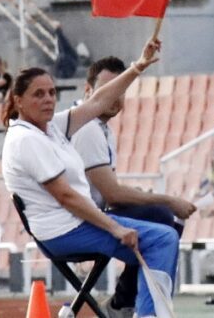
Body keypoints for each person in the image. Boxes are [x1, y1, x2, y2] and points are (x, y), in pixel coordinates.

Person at [1, 39, 179, 318]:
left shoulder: (50, 128)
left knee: (161, 235)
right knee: (162, 240)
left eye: (51, 92)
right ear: (18, 101)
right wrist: (115, 228)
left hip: (72, 224)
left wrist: (138, 66)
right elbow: (66, 196)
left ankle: (136, 309)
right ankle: (143, 313)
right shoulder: (26, 140)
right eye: (38, 94)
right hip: (65, 231)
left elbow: (97, 101)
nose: (48, 99)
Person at [70, 56, 198, 317]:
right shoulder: (87, 129)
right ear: (88, 91)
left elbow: (110, 194)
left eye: (120, 91)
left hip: (91, 215)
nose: (114, 97)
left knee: (161, 218)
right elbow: (112, 195)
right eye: (107, 89)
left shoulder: (100, 128)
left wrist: (147, 198)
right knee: (165, 216)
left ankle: (123, 302)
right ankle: (127, 304)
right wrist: (167, 199)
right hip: (79, 224)